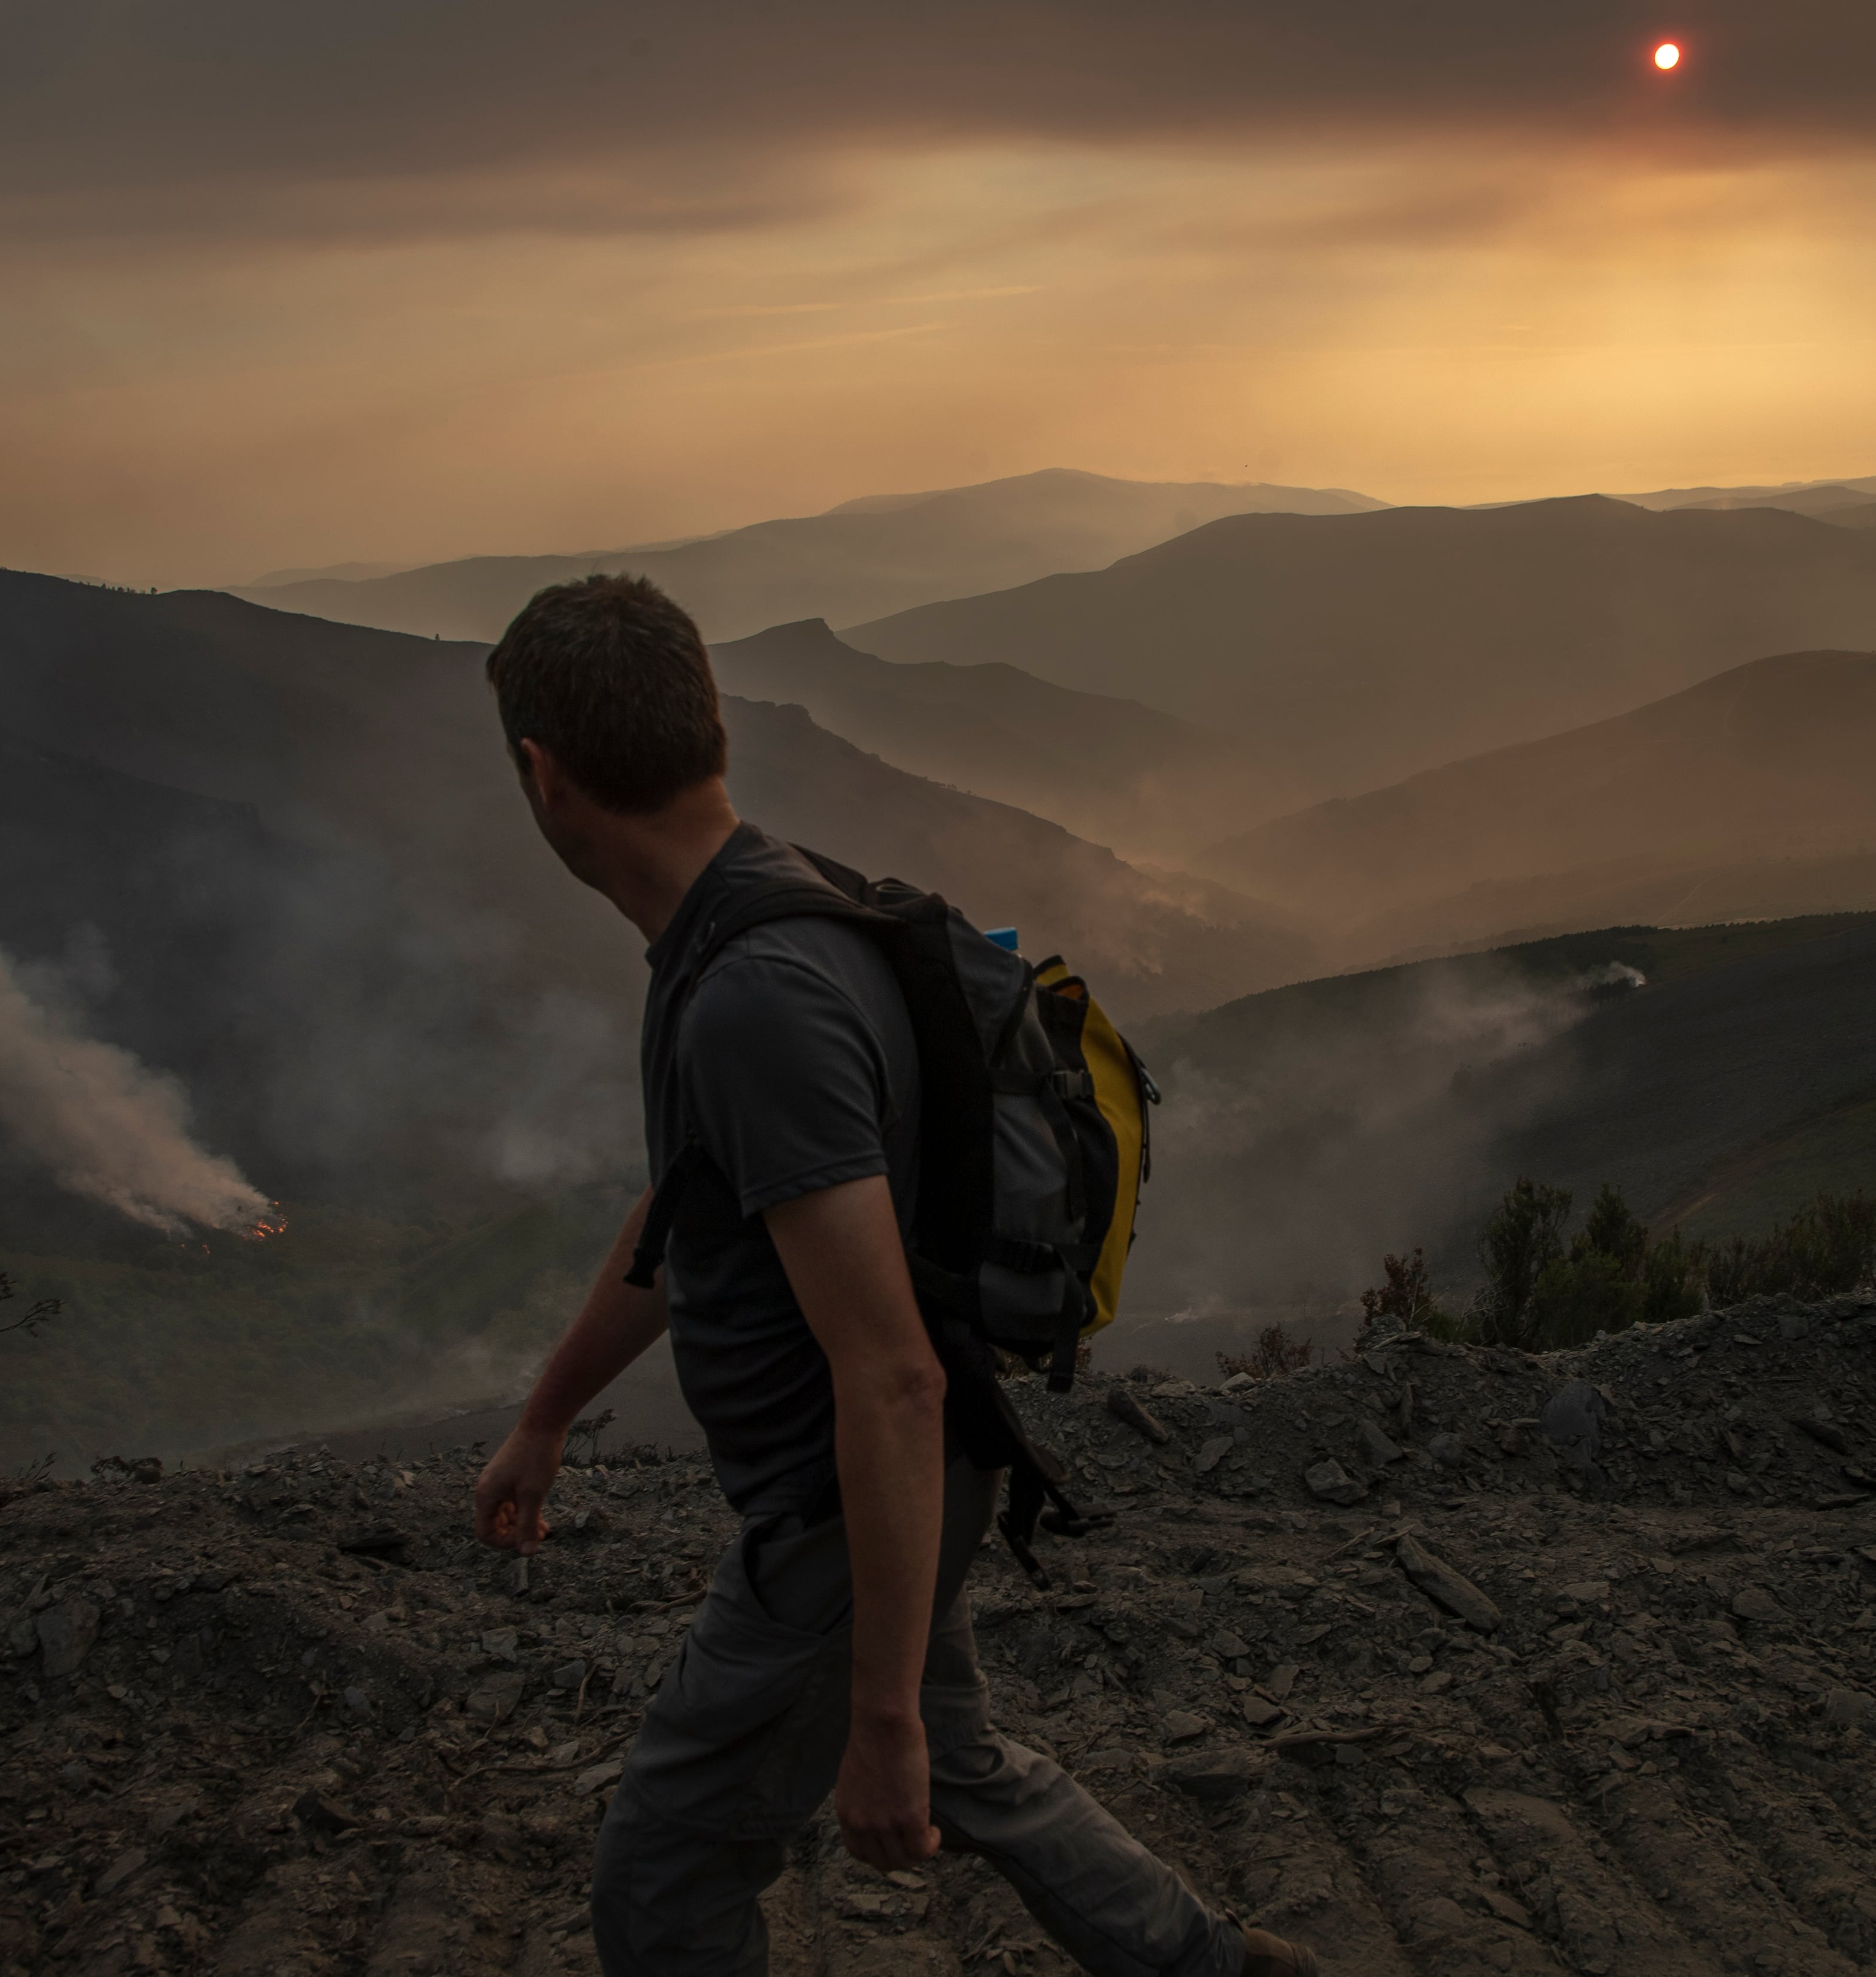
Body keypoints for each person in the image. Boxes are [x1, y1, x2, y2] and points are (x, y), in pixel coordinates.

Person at [468, 575, 1319, 1977]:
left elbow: (891, 1372)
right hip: (910, 1483)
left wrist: (877, 1721)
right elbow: (693, 1205)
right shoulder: (769, 913)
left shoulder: (753, 993)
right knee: (972, 1757)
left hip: (842, 1506)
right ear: (709, 725)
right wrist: (551, 1412)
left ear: (540, 776)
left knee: (664, 1878)